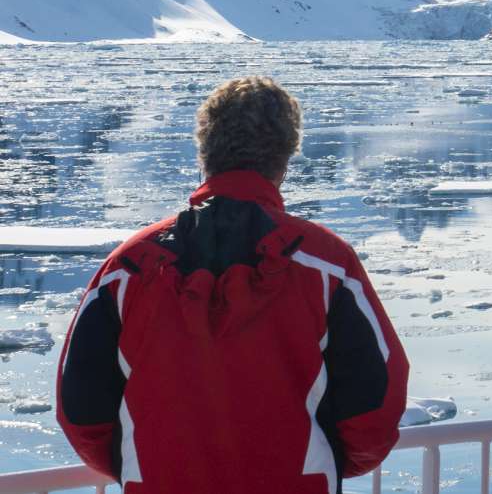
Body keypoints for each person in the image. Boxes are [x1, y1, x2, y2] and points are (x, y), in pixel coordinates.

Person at [56, 77, 410, 494]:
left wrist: (142, 465)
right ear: (284, 159)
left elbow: (79, 409)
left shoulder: (129, 268)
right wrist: (323, 465)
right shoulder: (325, 265)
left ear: (205, 152)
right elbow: (376, 404)